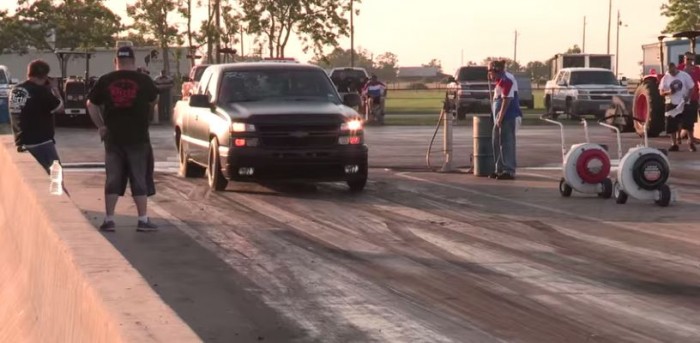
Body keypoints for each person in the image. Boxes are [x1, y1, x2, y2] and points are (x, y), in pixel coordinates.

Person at [86, 46, 159, 232]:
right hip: (138, 137)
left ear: (115, 61)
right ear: (134, 61)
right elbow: (154, 100)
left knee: (113, 178)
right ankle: (142, 220)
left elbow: (91, 104)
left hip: (113, 137)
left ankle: (109, 219)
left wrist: (101, 126)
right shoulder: (144, 80)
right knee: (139, 177)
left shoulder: (105, 80)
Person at [8, 59, 65, 173]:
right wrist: (54, 89)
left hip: (21, 140)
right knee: (56, 176)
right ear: (45, 76)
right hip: (41, 142)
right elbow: (60, 108)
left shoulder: (15, 90)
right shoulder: (40, 91)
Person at [488, 60, 522, 180]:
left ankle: (509, 170)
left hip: (508, 115)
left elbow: (507, 99)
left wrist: (500, 117)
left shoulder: (507, 79)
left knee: (506, 142)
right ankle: (499, 168)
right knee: (496, 141)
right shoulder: (499, 80)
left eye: (489, 70)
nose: (489, 74)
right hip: (500, 115)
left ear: (495, 69)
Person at [659, 62, 695, 152]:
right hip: (671, 103)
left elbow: (691, 87)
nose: (672, 73)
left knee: (688, 124)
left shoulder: (684, 76)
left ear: (675, 68)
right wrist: (669, 92)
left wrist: (688, 96)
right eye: (670, 72)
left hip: (684, 102)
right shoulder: (665, 78)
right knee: (671, 125)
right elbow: (661, 92)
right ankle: (674, 144)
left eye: (673, 71)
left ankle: (691, 143)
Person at [677, 52, 699, 152]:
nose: (690, 61)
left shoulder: (697, 70)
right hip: (680, 98)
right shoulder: (679, 69)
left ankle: (690, 142)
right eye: (688, 59)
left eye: (691, 59)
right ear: (684, 59)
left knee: (690, 122)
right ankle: (677, 137)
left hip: (693, 98)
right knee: (679, 119)